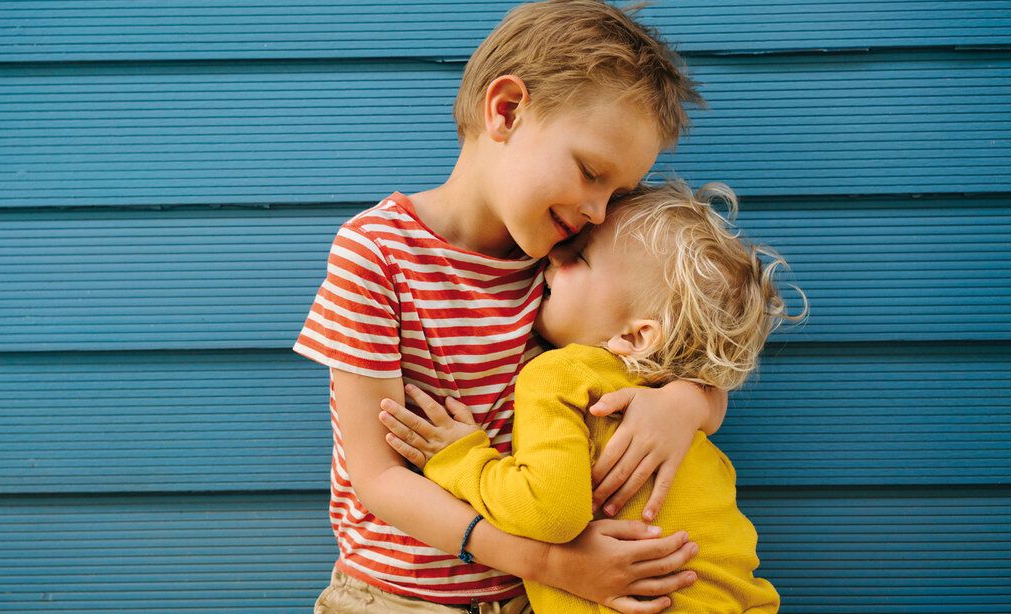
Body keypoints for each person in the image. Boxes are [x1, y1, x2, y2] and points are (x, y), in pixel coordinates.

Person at [293, 2, 724, 612]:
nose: (599, 211)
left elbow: (674, 355)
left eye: (618, 193)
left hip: (537, 600)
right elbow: (380, 478)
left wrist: (686, 403)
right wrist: (553, 563)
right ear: (507, 111)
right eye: (591, 172)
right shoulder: (377, 253)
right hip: (398, 596)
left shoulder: (575, 267)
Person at [380, 180, 807, 613]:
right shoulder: (681, 407)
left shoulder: (559, 374)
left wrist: (460, 458)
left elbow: (551, 514)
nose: (554, 256)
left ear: (635, 336)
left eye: (580, 256)